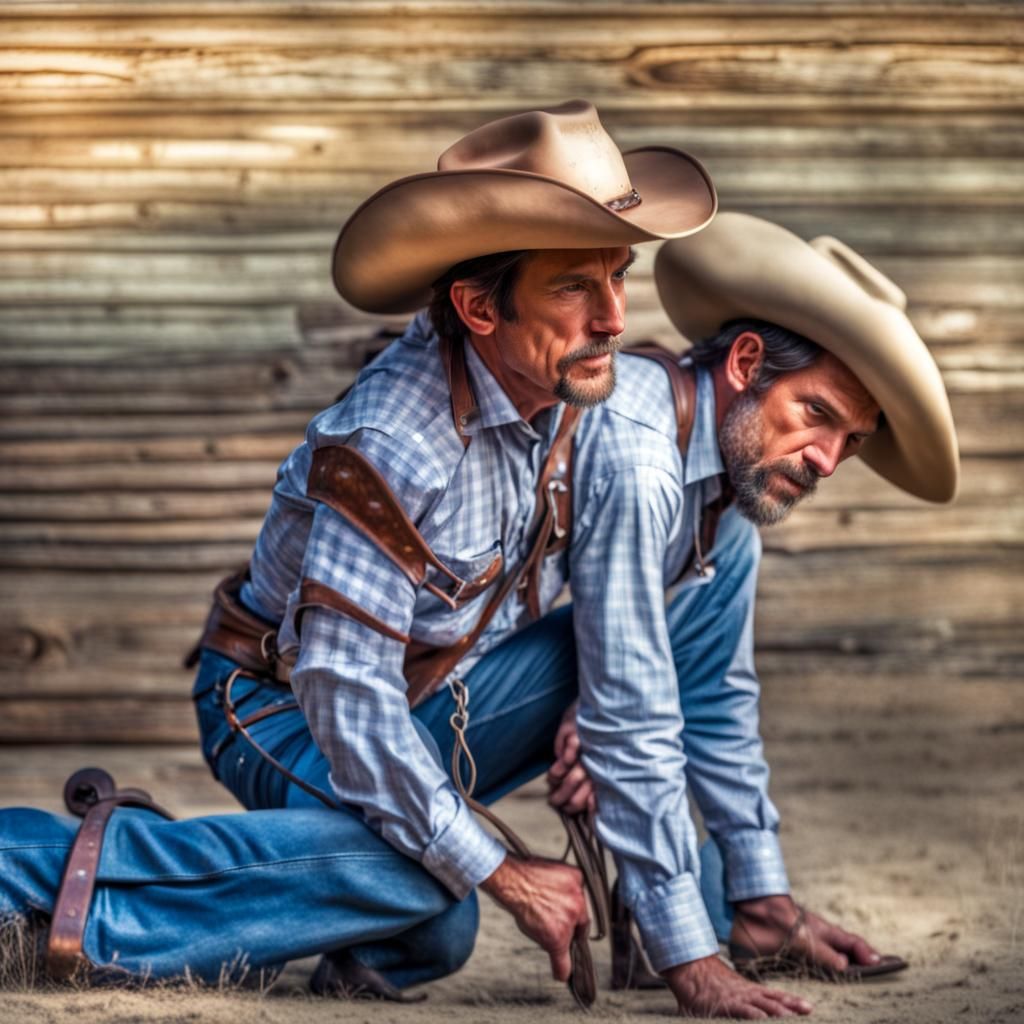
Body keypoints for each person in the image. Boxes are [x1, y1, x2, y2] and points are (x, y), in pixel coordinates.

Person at [0, 99, 728, 1009]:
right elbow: (347, 701)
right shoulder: (394, 441)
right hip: (275, 701)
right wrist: (502, 867)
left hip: (429, 693)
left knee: (437, 883)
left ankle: (348, 920)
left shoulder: (561, 386)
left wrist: (587, 704)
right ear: (477, 307)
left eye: (619, 274)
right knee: (433, 884)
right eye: (575, 286)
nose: (616, 316)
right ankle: (25, 879)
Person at [543, 211, 959, 1017]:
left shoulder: (725, 496)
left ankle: (756, 916)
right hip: (398, 696)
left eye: (852, 441)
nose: (828, 461)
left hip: (507, 695)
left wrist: (762, 895)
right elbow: (631, 706)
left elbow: (717, 697)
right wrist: (695, 965)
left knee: (706, 883)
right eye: (817, 415)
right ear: (745, 362)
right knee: (437, 926)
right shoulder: (641, 457)